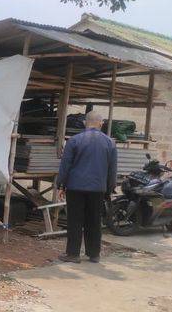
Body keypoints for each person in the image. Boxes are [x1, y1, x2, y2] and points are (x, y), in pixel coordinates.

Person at [57, 110, 117, 263]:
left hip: (75, 187)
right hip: (98, 188)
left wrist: (60, 184)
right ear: (101, 123)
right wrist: (109, 189)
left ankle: (73, 254)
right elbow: (112, 170)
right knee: (95, 221)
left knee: (75, 220)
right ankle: (94, 254)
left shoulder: (74, 140)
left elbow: (65, 165)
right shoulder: (110, 143)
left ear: (85, 123)